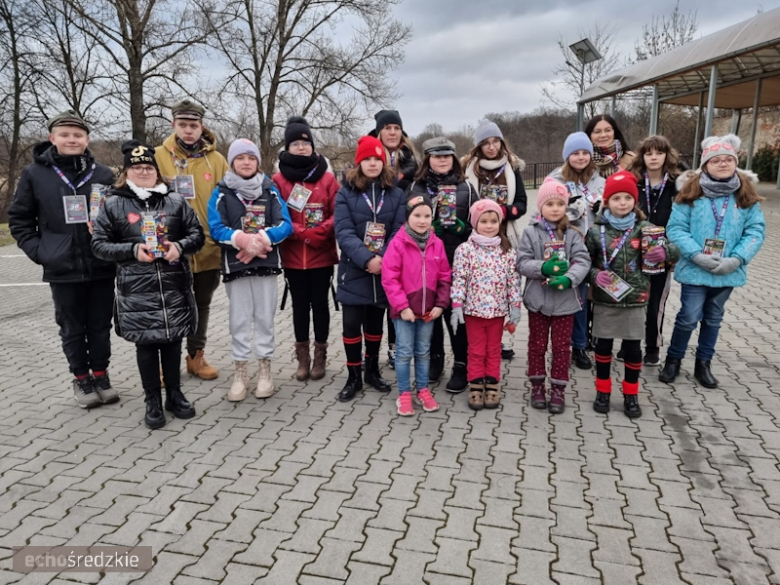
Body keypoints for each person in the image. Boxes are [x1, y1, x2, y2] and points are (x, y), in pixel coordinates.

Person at [8, 110, 119, 408]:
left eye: (78, 135)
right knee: (72, 327)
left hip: (100, 263)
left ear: (87, 140)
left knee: (100, 325)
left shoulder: (103, 174)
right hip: (62, 266)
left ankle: (101, 375)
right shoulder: (35, 174)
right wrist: (40, 251)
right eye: (65, 135)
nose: (72, 139)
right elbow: (19, 219)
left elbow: (116, 216)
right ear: (52, 138)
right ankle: (81, 379)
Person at [92, 141, 204, 429]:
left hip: (173, 285)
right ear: (126, 172)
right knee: (146, 345)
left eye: (148, 167)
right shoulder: (113, 203)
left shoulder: (175, 200)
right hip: (137, 289)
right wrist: (132, 250)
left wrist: (179, 247)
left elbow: (197, 234)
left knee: (173, 342)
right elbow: (99, 245)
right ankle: (152, 398)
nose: (144, 172)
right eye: (137, 167)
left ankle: (175, 394)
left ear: (156, 170)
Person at [659, 134, 765, 389]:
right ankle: (673, 359)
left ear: (735, 163)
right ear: (705, 165)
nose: (723, 164)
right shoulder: (691, 192)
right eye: (716, 160)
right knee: (688, 316)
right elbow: (676, 229)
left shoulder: (745, 194)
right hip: (695, 268)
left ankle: (703, 363)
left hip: (726, 270)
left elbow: (755, 231)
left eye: (728, 159)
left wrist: (737, 259)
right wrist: (697, 255)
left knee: (713, 318)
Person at [586, 170, 679, 418]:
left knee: (633, 349)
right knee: (603, 348)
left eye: (627, 198)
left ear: (634, 201)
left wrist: (665, 253)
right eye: (616, 198)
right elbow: (584, 262)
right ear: (607, 202)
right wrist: (594, 275)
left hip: (636, 300)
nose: (622, 203)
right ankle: (603, 392)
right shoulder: (596, 231)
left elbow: (673, 250)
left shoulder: (646, 228)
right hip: (606, 299)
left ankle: (631, 395)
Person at [208, 138, 293, 401]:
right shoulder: (222, 192)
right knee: (240, 320)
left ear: (257, 162)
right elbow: (216, 227)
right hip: (236, 265)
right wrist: (242, 240)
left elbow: (285, 224)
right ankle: (241, 371)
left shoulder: (270, 189)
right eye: (240, 158)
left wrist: (261, 240)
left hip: (265, 264)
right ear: (232, 162)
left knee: (265, 318)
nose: (246, 162)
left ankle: (265, 370)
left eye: (251, 158)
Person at [155, 99, 229, 380]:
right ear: (173, 125)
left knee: (201, 304)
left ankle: (196, 356)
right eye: (183, 125)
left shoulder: (217, 160)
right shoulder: (157, 156)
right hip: (170, 249)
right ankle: (166, 362)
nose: (188, 130)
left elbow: (229, 200)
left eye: (193, 125)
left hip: (208, 247)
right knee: (170, 305)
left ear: (202, 127)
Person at [334, 135, 405, 402]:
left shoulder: (396, 193)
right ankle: (353, 376)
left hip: (384, 270)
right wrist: (367, 259)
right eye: (367, 159)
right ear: (359, 163)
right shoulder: (346, 193)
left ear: (384, 162)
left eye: (377, 158)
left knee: (375, 325)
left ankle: (372, 371)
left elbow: (399, 229)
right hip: (354, 269)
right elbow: (343, 231)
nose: (373, 163)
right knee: (352, 325)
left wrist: (384, 258)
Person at [408, 137, 477, 392]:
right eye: (437, 156)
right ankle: (435, 359)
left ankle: (462, 364)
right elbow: (404, 225)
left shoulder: (466, 187)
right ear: (428, 159)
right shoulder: (416, 188)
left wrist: (463, 228)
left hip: (456, 262)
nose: (442, 160)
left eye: (447, 155)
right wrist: (425, 230)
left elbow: (481, 225)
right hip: (425, 263)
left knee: (455, 315)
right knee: (430, 314)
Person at [516, 178, 591, 414]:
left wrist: (569, 279)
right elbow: (521, 262)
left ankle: (558, 389)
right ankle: (537, 386)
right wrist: (542, 268)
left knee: (561, 348)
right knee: (537, 346)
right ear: (540, 206)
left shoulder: (573, 233)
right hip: (538, 301)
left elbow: (583, 261)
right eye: (550, 204)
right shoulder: (530, 232)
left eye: (560, 203)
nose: (555, 208)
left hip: (565, 303)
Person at [273, 116, 339, 381]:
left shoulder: (328, 179)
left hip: (321, 254)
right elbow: (277, 214)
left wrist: (318, 233)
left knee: (320, 306)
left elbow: (337, 213)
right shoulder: (278, 180)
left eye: (305, 143)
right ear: (287, 147)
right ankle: (303, 357)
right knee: (300, 307)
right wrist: (300, 232)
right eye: (295, 144)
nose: (301, 147)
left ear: (312, 145)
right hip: (293, 256)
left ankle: (320, 355)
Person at [463, 120, 528, 360]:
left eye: (495, 142)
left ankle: (500, 339)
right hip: (478, 237)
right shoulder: (469, 170)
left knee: (502, 288)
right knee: (479, 288)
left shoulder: (512, 168)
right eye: (486, 143)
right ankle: (477, 340)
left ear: (502, 143)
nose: (491, 147)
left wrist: (504, 211)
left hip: (504, 236)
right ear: (478, 146)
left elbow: (522, 203)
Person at [381, 194, 451, 416]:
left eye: (427, 216)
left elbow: (445, 277)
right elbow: (390, 278)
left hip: (428, 311)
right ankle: (404, 393)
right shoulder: (397, 244)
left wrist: (441, 304)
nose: (422, 221)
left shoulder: (437, 244)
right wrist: (402, 307)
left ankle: (422, 389)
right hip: (404, 312)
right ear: (407, 217)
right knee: (403, 353)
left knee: (423, 352)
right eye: (417, 215)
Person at [450, 199, 522, 411]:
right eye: (484, 221)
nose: (489, 226)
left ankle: (491, 383)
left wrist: (515, 306)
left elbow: (513, 281)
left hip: (497, 312)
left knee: (493, 349)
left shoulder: (507, 251)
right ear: (475, 223)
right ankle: (475, 383)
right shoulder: (465, 250)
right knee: (476, 350)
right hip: (473, 311)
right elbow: (459, 278)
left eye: (493, 221)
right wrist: (457, 305)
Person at [548, 132, 606, 370]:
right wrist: (567, 213)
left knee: (584, 299)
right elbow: (545, 212)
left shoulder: (599, 180)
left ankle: (580, 345)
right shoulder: (556, 180)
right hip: (566, 245)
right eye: (575, 153)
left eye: (585, 153)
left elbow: (610, 211)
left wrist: (602, 208)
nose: (581, 157)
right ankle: (562, 345)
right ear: (567, 155)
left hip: (594, 247)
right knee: (567, 298)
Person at [368, 109, 419, 370]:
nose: (391, 132)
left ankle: (398, 344)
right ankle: (376, 349)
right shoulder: (369, 157)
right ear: (379, 131)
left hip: (407, 230)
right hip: (377, 232)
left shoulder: (411, 161)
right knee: (379, 293)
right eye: (387, 128)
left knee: (400, 291)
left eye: (396, 128)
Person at [625, 135, 681, 366]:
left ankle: (652, 347)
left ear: (667, 155)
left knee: (655, 304)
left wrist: (672, 251)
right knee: (633, 300)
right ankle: (630, 344)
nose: (654, 157)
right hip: (634, 253)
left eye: (659, 153)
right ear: (642, 156)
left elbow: (683, 222)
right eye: (649, 153)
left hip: (661, 256)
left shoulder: (677, 185)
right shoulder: (634, 182)